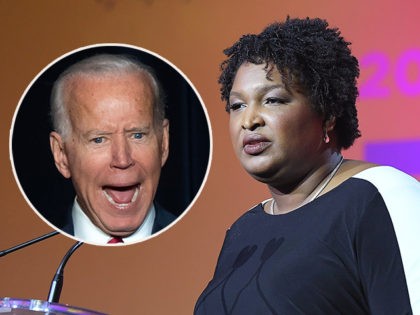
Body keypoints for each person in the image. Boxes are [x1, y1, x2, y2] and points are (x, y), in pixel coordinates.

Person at [195, 17, 420, 314]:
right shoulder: (244, 230)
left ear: (326, 115)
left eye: (273, 100)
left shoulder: (382, 197)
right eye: (237, 106)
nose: (249, 120)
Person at [49, 53, 176, 245]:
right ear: (61, 155)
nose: (122, 159)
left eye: (137, 135)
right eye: (99, 139)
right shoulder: (26, 256)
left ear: (163, 143)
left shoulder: (204, 244)